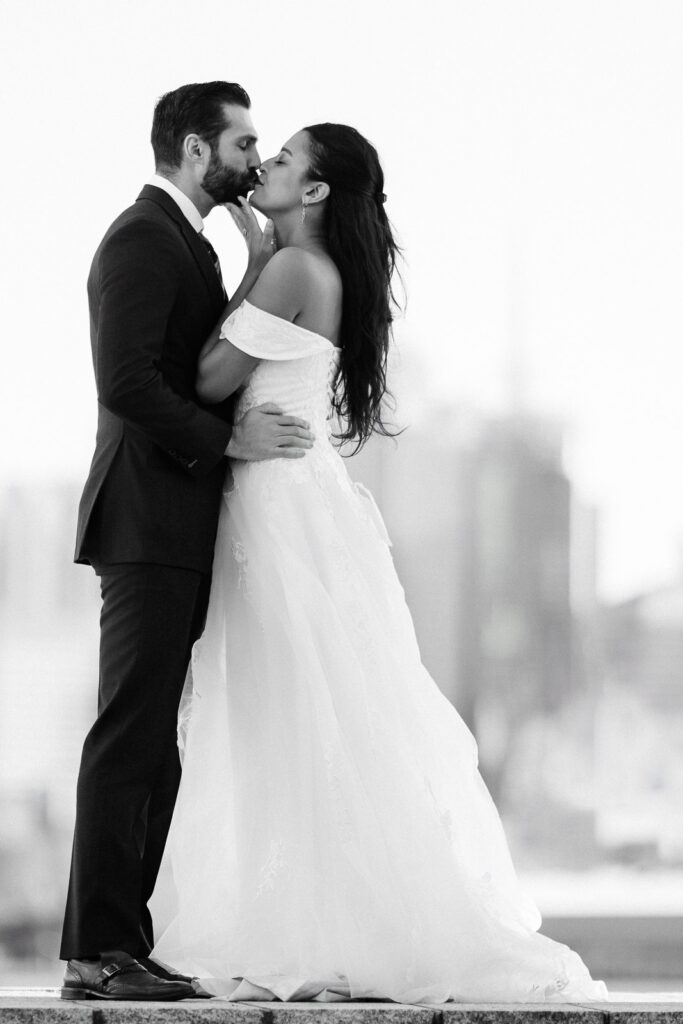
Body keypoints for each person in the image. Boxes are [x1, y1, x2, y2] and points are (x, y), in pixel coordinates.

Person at [149, 123, 610, 1004]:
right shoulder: (326, 273)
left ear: (315, 193)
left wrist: (247, 259)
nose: (266, 166)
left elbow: (208, 380)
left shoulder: (289, 270)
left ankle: (306, 927)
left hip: (275, 506)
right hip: (302, 500)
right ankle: (328, 921)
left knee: (283, 713)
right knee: (314, 712)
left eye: (283, 159)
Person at [59, 82, 316, 1002]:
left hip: (176, 522)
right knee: (130, 734)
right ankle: (96, 956)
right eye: (245, 143)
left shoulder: (190, 244)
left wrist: (252, 259)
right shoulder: (140, 239)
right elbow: (127, 382)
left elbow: (198, 361)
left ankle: (120, 943)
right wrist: (228, 441)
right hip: (145, 520)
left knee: (155, 742)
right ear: (197, 151)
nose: (256, 160)